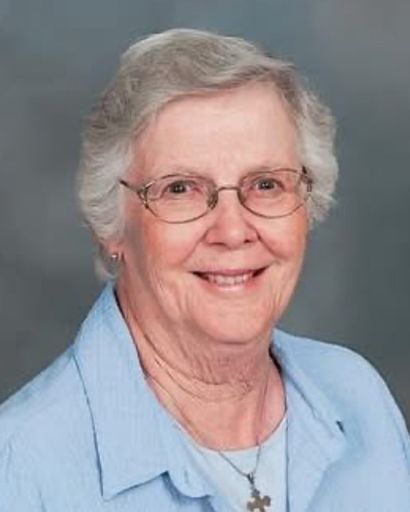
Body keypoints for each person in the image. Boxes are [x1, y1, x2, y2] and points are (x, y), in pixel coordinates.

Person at [0, 28, 409, 512]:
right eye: (180, 189)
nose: (233, 231)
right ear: (111, 226)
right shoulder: (23, 466)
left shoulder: (357, 397)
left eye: (265, 183)